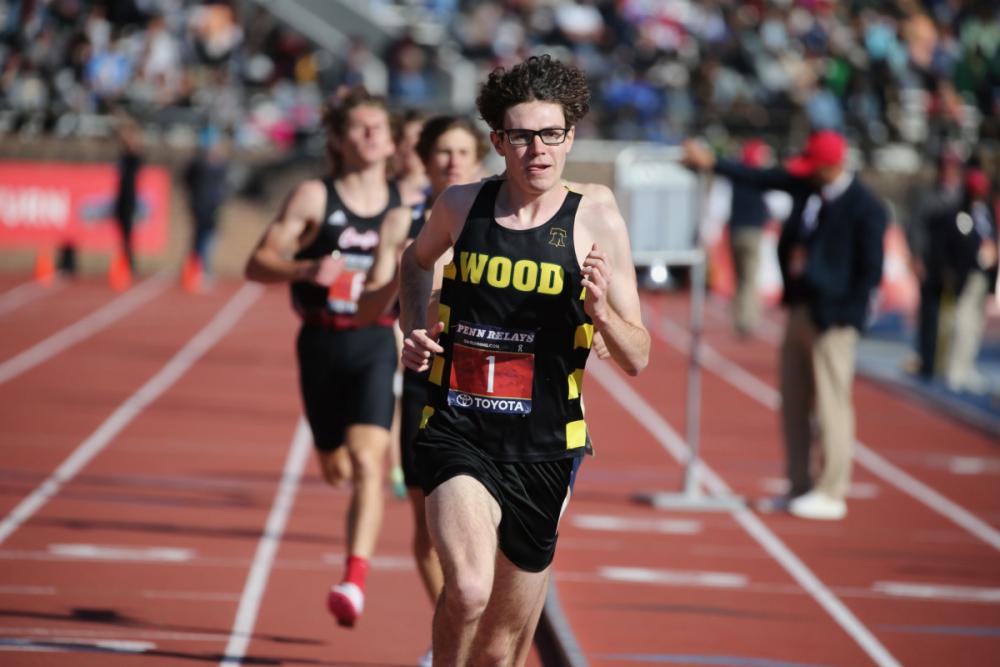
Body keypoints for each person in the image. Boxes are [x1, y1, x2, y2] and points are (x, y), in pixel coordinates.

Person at [399, 55, 650, 665]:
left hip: (544, 445)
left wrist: (602, 314)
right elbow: (414, 260)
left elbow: (637, 355)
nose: (538, 150)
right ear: (498, 141)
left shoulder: (598, 219)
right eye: (522, 136)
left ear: (571, 136)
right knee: (466, 587)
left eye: (551, 134)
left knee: (503, 649)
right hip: (459, 426)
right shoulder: (462, 206)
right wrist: (412, 328)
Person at [244, 86, 399, 628]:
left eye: (379, 127)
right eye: (359, 127)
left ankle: (353, 580)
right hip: (320, 344)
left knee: (367, 464)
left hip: (376, 341)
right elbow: (257, 263)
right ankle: (334, 461)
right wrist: (305, 270)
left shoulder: (404, 204)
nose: (372, 136)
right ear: (337, 138)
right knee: (335, 465)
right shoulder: (314, 196)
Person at [684, 129, 887, 521]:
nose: (807, 173)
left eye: (815, 167)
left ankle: (832, 489)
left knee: (831, 403)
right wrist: (714, 164)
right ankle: (799, 484)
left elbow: (871, 273)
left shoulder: (866, 208)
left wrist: (848, 316)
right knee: (792, 401)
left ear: (834, 166)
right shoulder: (808, 188)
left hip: (834, 318)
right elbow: (761, 177)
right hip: (800, 308)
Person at [905, 149, 964, 379]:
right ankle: (927, 361)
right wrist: (917, 256)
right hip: (932, 263)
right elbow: (915, 227)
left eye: (953, 167)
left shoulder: (962, 197)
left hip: (956, 265)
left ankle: (950, 364)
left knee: (955, 318)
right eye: (945, 166)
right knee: (930, 314)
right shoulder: (928, 197)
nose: (948, 171)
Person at [942, 167, 997, 393]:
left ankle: (968, 367)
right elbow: (962, 242)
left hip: (984, 277)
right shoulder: (961, 214)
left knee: (976, 325)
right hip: (968, 275)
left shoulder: (987, 212)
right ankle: (956, 370)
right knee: (962, 324)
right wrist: (980, 251)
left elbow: (990, 237)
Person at [727, 138, 773, 337]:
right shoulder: (761, 178)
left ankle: (740, 314)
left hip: (735, 231)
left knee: (741, 277)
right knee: (749, 277)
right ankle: (746, 320)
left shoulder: (736, 178)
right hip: (752, 232)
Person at [183, 125, 230, 291]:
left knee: (209, 239)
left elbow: (223, 186)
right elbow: (187, 181)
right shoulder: (198, 164)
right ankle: (197, 270)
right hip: (200, 206)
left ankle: (201, 269)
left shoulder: (220, 164)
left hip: (213, 207)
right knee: (200, 239)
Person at [113, 116, 144, 274]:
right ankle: (126, 262)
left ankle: (130, 264)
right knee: (123, 236)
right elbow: (124, 144)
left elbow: (134, 149)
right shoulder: (123, 157)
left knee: (128, 235)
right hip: (120, 202)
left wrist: (130, 134)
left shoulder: (134, 160)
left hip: (129, 202)